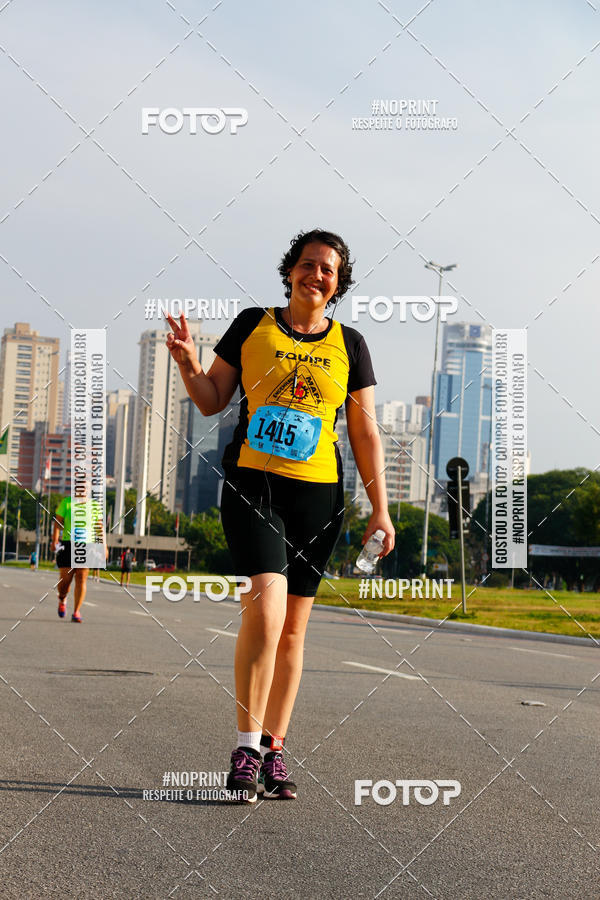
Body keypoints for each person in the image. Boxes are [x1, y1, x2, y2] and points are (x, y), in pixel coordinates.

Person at [167, 229, 395, 802]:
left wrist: (380, 510)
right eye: (308, 264)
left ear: (338, 284)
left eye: (328, 270)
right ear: (289, 270)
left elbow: (364, 430)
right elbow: (213, 397)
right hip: (253, 486)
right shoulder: (252, 323)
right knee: (266, 615)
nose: (316, 275)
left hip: (319, 497)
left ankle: (275, 749)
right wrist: (188, 364)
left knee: (294, 630)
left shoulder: (352, 344)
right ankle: (245, 749)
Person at [50, 495, 105, 623]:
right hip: (68, 544)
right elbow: (58, 523)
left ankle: (76, 611)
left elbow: (99, 527)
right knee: (65, 581)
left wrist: (103, 546)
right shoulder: (67, 502)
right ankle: (62, 598)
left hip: (87, 545)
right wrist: (55, 540)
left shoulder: (94, 505)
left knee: (81, 577)